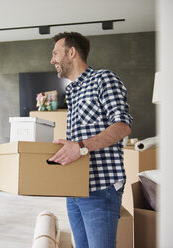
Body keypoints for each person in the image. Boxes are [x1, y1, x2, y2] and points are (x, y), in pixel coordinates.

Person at [47, 32, 133, 248]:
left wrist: (81, 147)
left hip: (99, 188)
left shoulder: (103, 79)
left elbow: (122, 125)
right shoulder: (73, 91)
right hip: (74, 189)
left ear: (72, 52)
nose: (52, 60)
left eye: (56, 53)